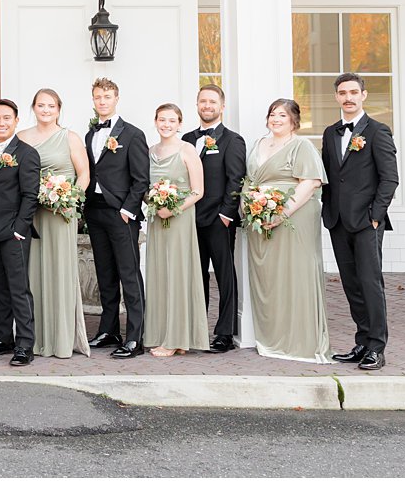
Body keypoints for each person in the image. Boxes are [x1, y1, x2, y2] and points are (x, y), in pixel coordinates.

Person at [244, 98, 331, 363]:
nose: (276, 119)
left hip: (295, 218)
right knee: (269, 278)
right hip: (260, 219)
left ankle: (300, 341)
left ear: (294, 119)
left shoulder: (301, 146)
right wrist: (253, 207)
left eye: (282, 115)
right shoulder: (259, 144)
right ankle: (271, 336)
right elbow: (249, 180)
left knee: (295, 273)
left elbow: (311, 182)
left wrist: (282, 212)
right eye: (272, 114)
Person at [321, 72, 399, 372]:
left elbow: (389, 179)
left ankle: (377, 348)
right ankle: (362, 342)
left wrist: (375, 217)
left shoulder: (378, 131)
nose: (348, 97)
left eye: (353, 92)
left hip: (367, 222)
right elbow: (330, 175)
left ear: (363, 95)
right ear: (337, 97)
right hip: (338, 221)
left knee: (370, 283)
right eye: (343, 93)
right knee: (351, 285)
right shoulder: (330, 133)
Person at [18, 88, 90, 359]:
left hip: (61, 214)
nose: (46, 110)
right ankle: (35, 338)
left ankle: (61, 338)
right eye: (41, 105)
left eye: (51, 106)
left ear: (59, 109)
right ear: (33, 108)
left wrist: (69, 198)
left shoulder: (70, 138)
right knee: (33, 270)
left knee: (60, 270)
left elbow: (83, 175)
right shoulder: (22, 137)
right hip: (32, 213)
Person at [82, 77, 150, 359]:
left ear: (116, 99)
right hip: (95, 211)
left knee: (129, 273)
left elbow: (141, 179)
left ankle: (135, 337)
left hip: (121, 213)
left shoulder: (132, 134)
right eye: (98, 97)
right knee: (105, 273)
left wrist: (127, 210)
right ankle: (109, 330)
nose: (102, 102)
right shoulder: (90, 134)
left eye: (107, 97)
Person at [181, 84, 247, 353]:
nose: (207, 106)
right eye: (202, 101)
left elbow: (236, 179)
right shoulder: (185, 138)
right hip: (188, 219)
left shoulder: (232, 140)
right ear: (197, 105)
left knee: (224, 276)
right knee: (196, 277)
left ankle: (225, 334)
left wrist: (226, 215)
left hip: (218, 220)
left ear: (222, 106)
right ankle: (197, 329)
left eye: (212, 102)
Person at [0, 99, 40, 366]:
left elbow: (30, 195)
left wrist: (19, 230)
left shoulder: (26, 153)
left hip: (13, 232)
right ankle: (4, 338)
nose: (1, 123)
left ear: (15, 121)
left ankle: (25, 344)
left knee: (18, 289)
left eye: (6, 118)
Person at [142, 103, 209, 357]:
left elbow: (198, 191)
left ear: (179, 124)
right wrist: (154, 203)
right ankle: (167, 334)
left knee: (178, 274)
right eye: (162, 120)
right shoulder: (150, 151)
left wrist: (173, 208)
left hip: (179, 218)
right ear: (156, 121)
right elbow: (145, 187)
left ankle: (176, 338)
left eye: (171, 120)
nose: (166, 124)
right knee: (160, 273)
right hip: (157, 218)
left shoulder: (187, 150)